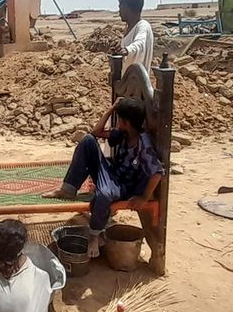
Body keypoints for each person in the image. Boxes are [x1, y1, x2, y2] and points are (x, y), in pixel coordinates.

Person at [42, 98, 163, 257]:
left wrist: (144, 198)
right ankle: (68, 190)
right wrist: (112, 108)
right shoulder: (124, 133)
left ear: (126, 122)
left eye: (119, 118)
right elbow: (96, 132)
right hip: (111, 174)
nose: (117, 121)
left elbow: (157, 172)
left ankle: (94, 235)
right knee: (87, 140)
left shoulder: (143, 143)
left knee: (104, 195)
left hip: (123, 187)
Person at [111, 0, 154, 73]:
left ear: (127, 8)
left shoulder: (143, 26)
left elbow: (140, 43)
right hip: (126, 82)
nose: (119, 12)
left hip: (137, 83)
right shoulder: (129, 28)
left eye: (120, 7)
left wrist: (127, 50)